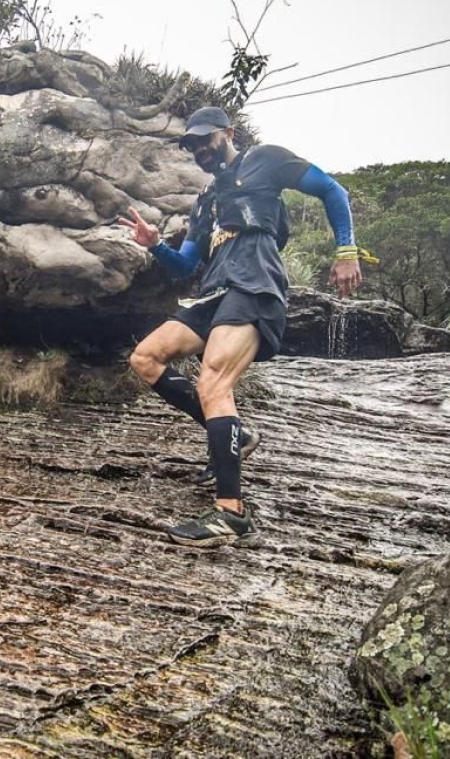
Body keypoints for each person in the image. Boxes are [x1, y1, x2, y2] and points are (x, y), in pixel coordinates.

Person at [118, 105, 365, 548]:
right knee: (145, 358)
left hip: (255, 286)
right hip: (214, 292)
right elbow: (185, 265)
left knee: (214, 382)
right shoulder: (206, 201)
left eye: (205, 140)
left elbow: (332, 190)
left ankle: (230, 513)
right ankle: (239, 435)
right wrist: (156, 246)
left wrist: (346, 252)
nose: (200, 151)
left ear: (228, 133)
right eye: (191, 146)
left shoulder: (266, 160)